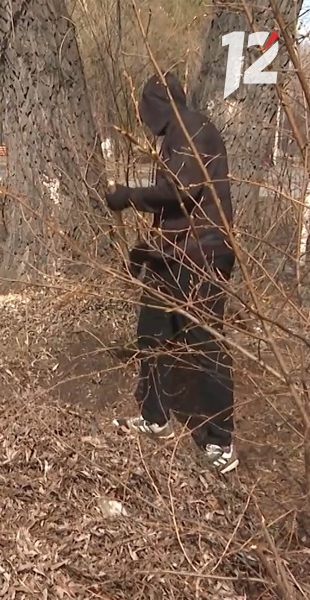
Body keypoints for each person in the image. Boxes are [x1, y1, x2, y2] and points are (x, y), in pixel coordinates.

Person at [104, 72, 237, 474]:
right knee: (151, 331)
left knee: (205, 346)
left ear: (156, 104)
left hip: (203, 257)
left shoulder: (192, 129)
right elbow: (175, 214)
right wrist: (146, 251)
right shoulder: (178, 133)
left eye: (144, 109)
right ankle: (155, 417)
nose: (143, 120)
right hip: (174, 255)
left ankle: (221, 442)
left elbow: (181, 191)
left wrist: (129, 196)